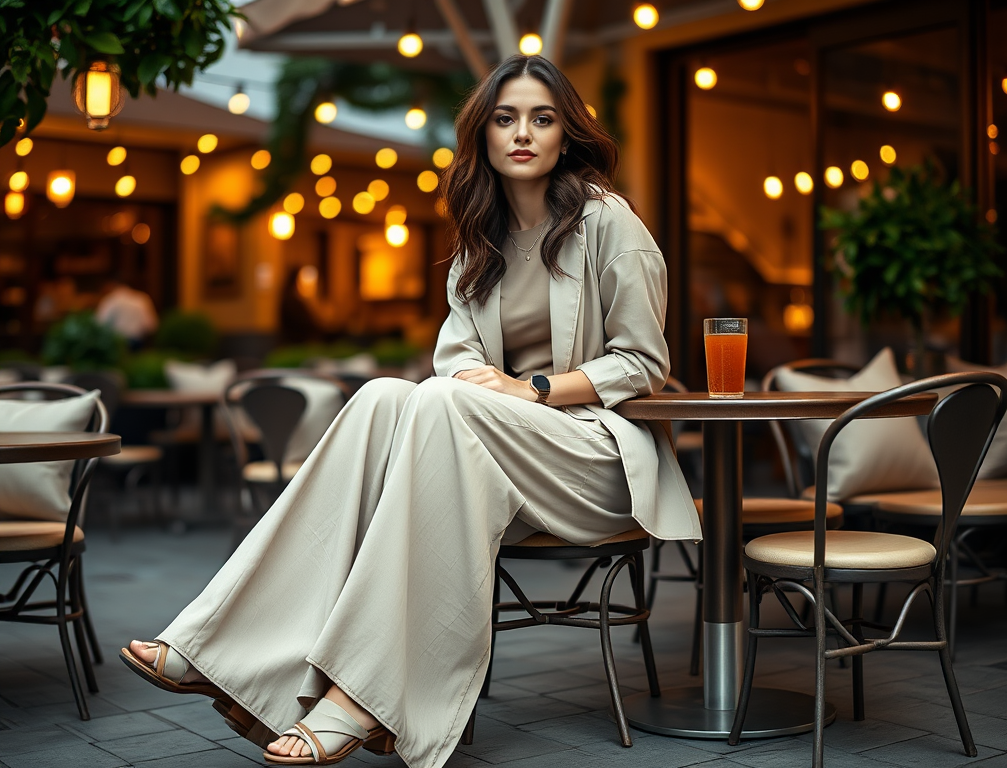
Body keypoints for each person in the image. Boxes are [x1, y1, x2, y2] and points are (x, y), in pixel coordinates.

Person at [120, 54, 701, 768]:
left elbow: (644, 364)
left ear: (566, 135)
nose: (523, 132)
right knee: (381, 397)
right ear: (483, 135)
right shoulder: (476, 245)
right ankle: (225, 646)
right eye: (506, 117)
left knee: (441, 404)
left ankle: (360, 700)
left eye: (543, 119)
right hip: (490, 457)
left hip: (594, 463)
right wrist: (483, 390)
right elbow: (453, 361)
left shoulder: (608, 223)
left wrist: (537, 389)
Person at [95, 280, 158, 349]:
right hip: (138, 343)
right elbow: (151, 325)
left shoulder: (111, 299)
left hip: (117, 343)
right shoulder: (142, 299)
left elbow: (100, 323)